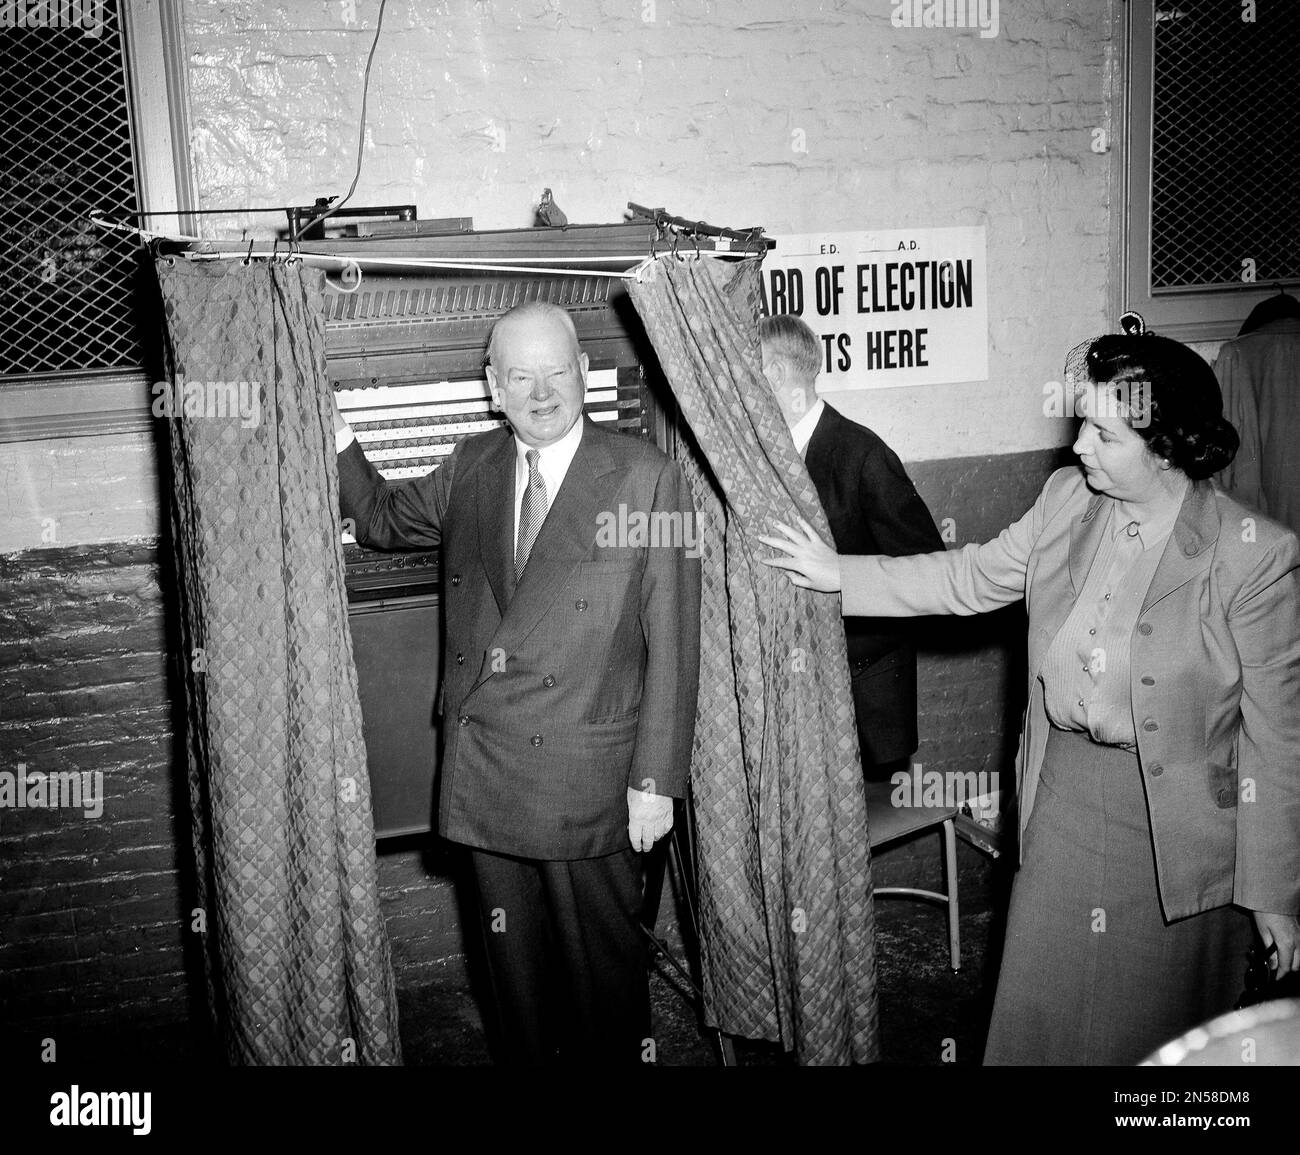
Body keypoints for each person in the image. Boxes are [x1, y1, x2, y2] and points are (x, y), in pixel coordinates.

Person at [759, 324, 1300, 1065]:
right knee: (1038, 1024)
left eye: (1104, 435)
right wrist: (837, 573)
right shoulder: (1067, 500)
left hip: (1176, 838)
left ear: (1167, 447)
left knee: (1148, 1043)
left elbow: (1277, 740)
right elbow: (967, 577)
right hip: (1066, 805)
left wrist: (1273, 890)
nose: (1078, 446)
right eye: (1082, 422)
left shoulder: (1254, 556)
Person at [330, 301, 702, 1065]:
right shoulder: (473, 467)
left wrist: (656, 778)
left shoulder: (644, 477)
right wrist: (333, 430)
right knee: (518, 1000)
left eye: (557, 370)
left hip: (591, 786)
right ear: (492, 386)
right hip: (490, 778)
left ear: (586, 374)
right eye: (520, 375)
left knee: (606, 999)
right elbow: (377, 517)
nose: (541, 391)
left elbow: (676, 639)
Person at [759, 314, 944, 780]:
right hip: (803, 704)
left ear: (775, 373)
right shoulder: (769, 455)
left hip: (866, 708)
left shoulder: (863, 455)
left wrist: (838, 584)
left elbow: (929, 573)